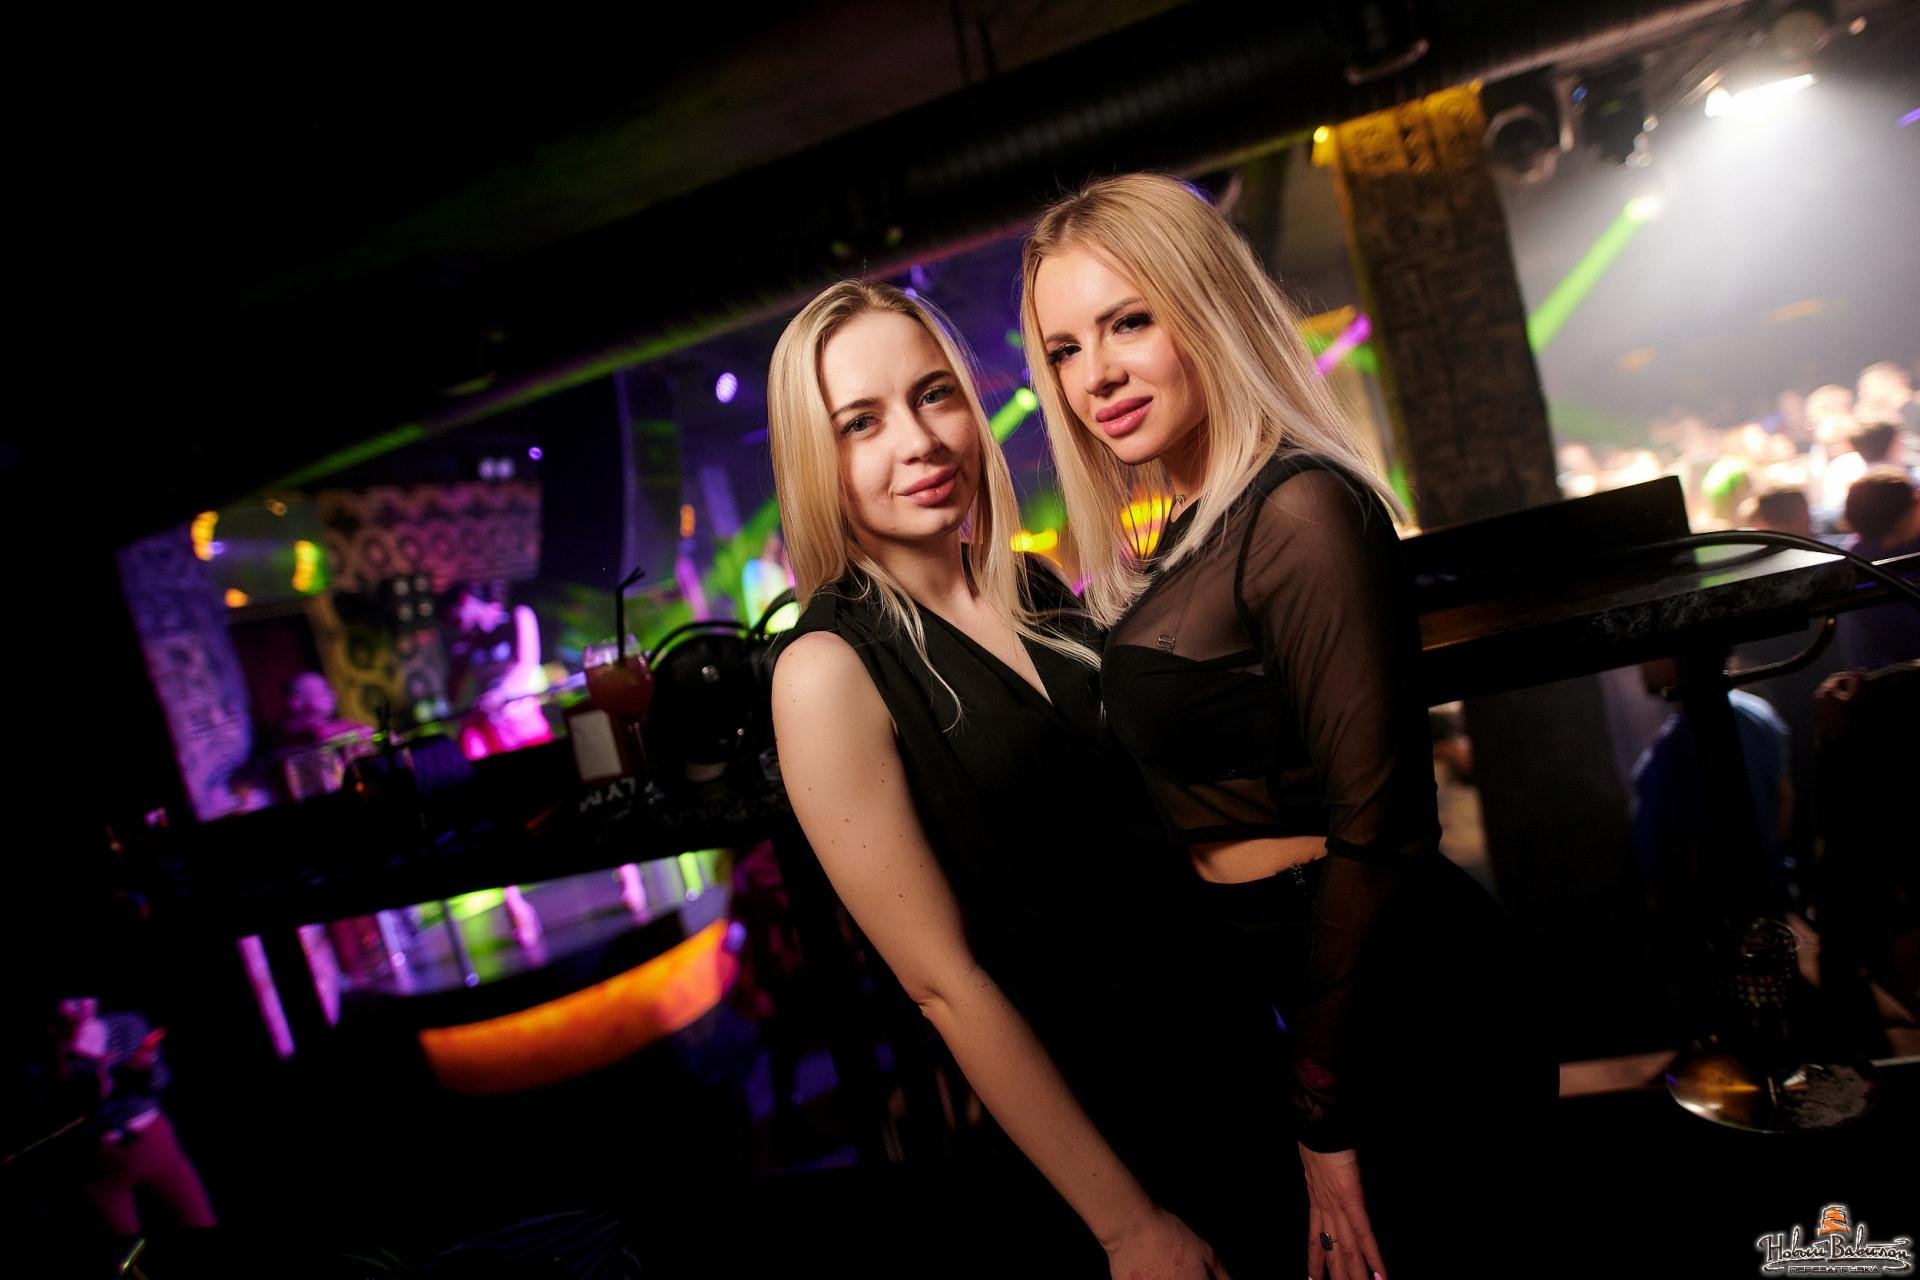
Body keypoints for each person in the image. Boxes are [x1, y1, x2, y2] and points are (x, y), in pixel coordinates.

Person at [1024, 173, 1553, 1279]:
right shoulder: (1188, 528)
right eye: (1065, 348)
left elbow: (1384, 826)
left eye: (1129, 321)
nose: (1095, 373)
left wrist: (1322, 1105)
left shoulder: (1299, 506)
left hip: (1389, 1001)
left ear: (1206, 307)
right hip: (1295, 989)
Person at [767, 280, 1283, 1277]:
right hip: (1096, 1132)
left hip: (1226, 1053)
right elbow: (943, 985)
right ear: (813, 459)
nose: (919, 441)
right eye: (860, 422)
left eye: (934, 395)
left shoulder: (1036, 590)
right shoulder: (826, 670)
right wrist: (1128, 1226)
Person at [47, 994, 217, 1237]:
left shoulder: (127, 1024)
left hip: (154, 1144)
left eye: (86, 996)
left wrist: (146, 1069)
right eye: (72, 999)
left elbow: (159, 1082)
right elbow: (57, 1110)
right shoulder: (48, 1052)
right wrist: (69, 1056)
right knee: (128, 1252)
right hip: (99, 1164)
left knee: (198, 1220)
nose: (82, 1004)